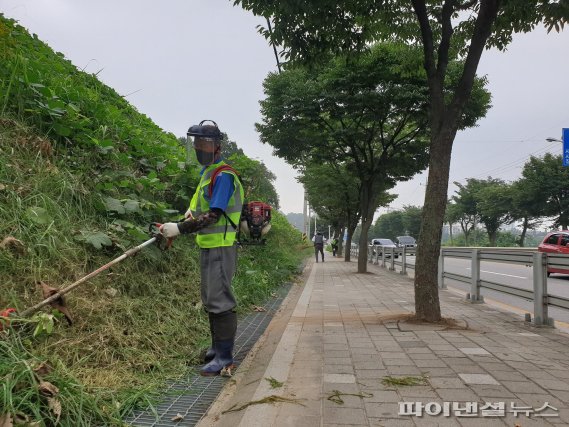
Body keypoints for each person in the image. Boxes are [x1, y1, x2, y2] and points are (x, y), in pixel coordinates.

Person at [159, 120, 244, 377]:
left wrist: (180, 228)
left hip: (220, 246)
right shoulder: (207, 174)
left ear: (217, 146)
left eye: (204, 142)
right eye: (196, 142)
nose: (199, 147)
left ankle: (224, 356)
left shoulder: (224, 175)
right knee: (210, 300)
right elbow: (201, 210)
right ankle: (216, 349)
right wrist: (186, 218)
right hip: (208, 245)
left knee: (219, 301)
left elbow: (214, 215)